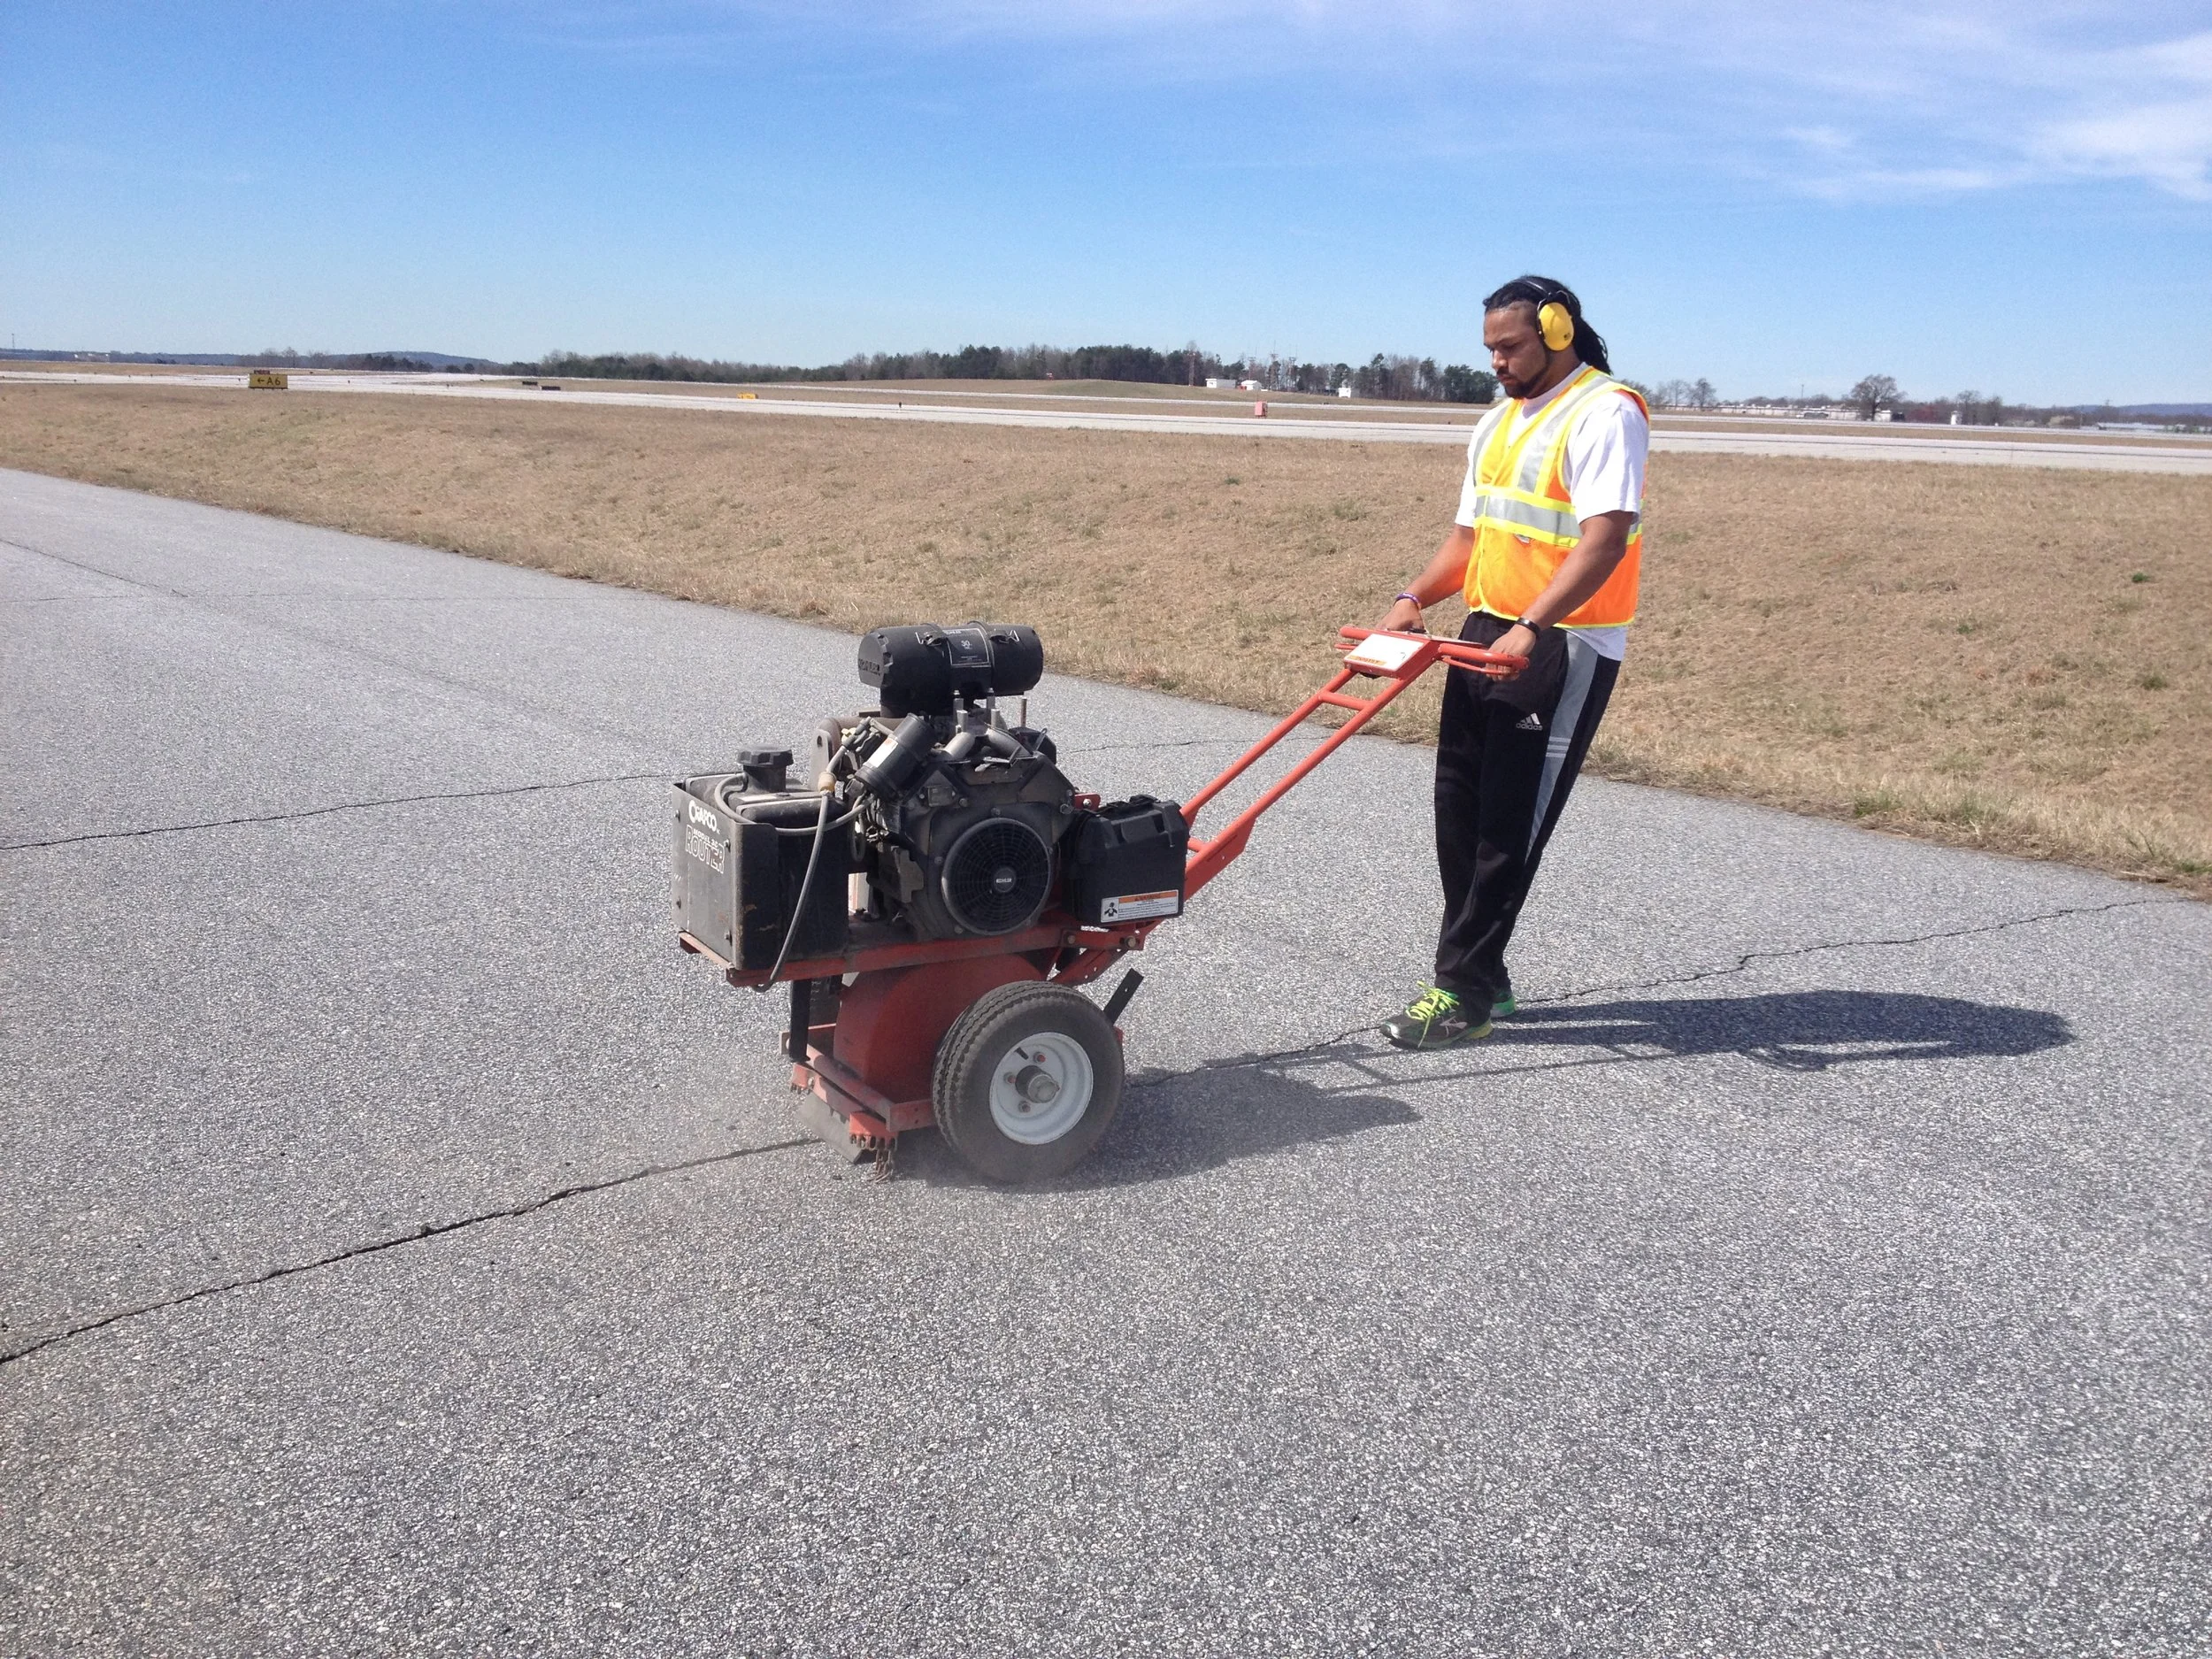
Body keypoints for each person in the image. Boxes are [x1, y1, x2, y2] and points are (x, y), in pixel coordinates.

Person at [1379, 276, 1650, 1050]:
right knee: (1458, 811)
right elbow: (1469, 540)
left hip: (1562, 642)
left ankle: (1462, 991)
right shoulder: (1498, 421)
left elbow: (1603, 539)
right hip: (1482, 631)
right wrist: (1412, 596)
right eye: (1489, 347)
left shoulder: (1605, 412)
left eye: (1510, 346)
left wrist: (1534, 624)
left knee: (1509, 824)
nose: (1496, 361)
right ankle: (1485, 975)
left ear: (1557, 331)